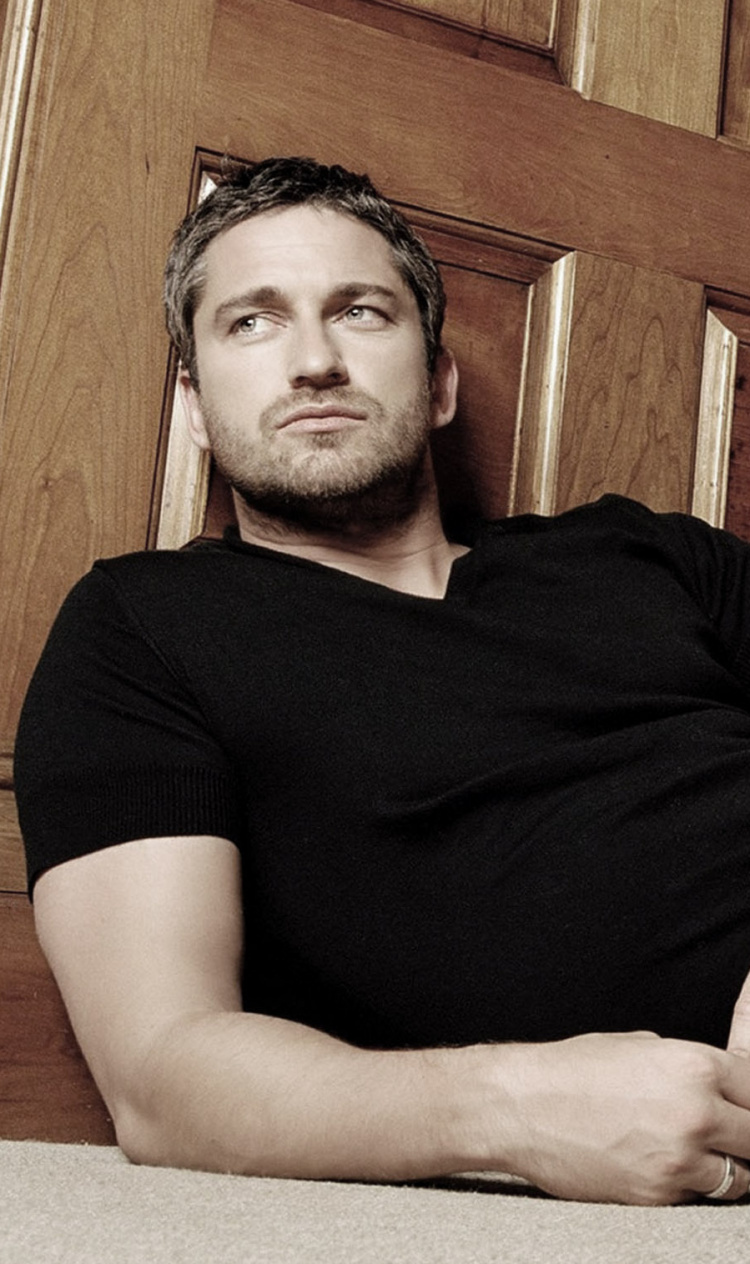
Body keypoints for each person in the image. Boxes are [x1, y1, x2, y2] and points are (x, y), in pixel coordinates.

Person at [14, 157, 750, 1206]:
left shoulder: (649, 556)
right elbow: (164, 1076)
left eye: (360, 311)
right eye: (252, 322)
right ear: (194, 403)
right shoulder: (140, 628)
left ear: (440, 381)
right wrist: (515, 1107)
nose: (315, 361)